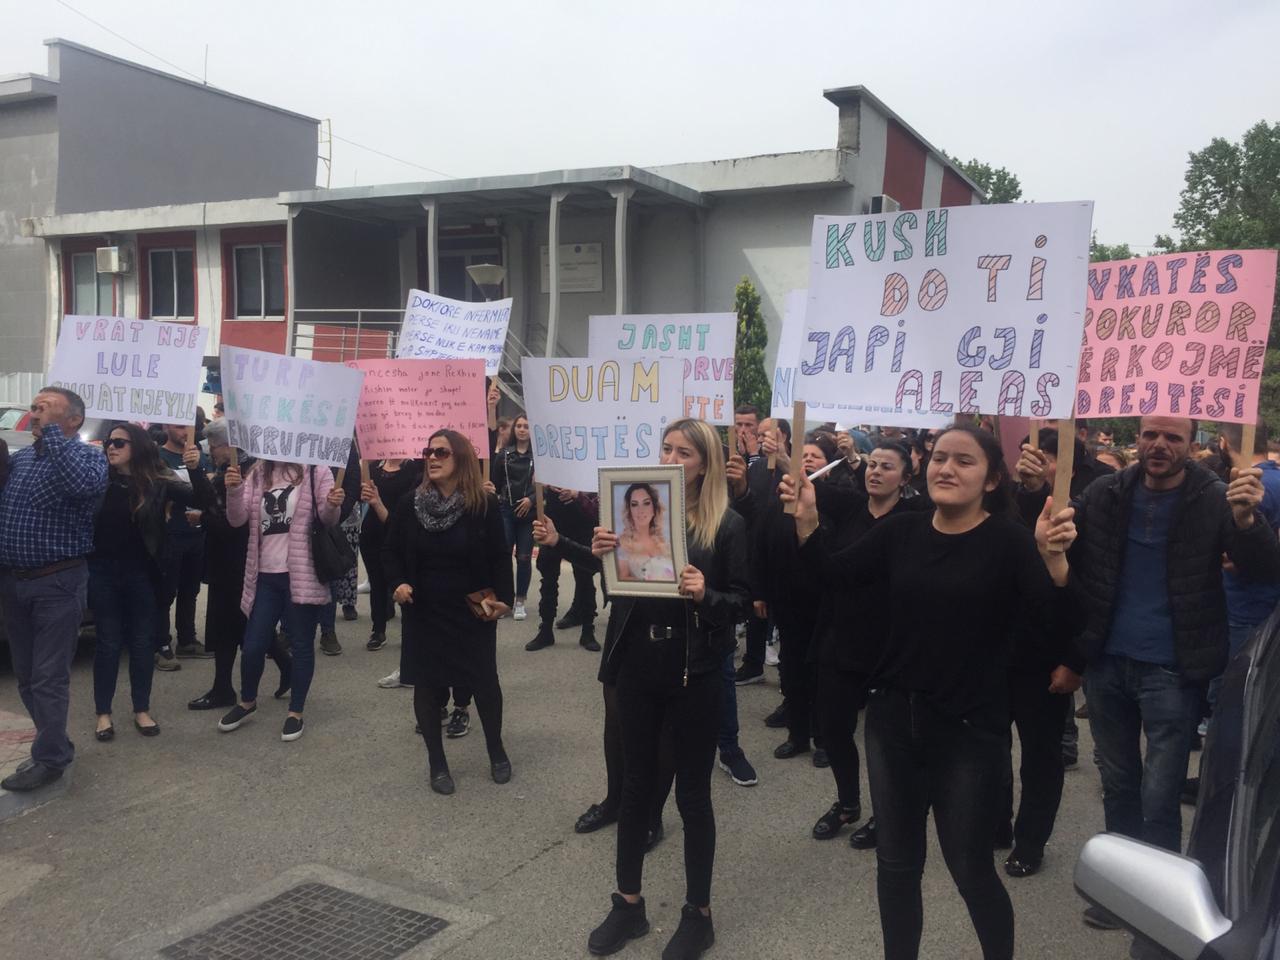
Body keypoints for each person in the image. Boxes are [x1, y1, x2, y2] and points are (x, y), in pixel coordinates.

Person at [782, 424, 1081, 960]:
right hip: (894, 721)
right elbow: (832, 576)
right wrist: (807, 526)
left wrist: (1055, 564)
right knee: (896, 865)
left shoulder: (1011, 541)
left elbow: (1055, 631)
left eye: (964, 461)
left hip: (968, 730)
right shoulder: (903, 532)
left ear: (992, 479)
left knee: (969, 867)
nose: (947, 468)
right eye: (940, 457)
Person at [1064, 416, 1280, 933]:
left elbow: (1263, 569)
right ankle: (1122, 886)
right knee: (1117, 783)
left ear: (1192, 445)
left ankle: (1157, 902)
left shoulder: (1216, 497)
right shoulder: (1105, 491)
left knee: (1160, 793)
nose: (1159, 445)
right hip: (1107, 663)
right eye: (1150, 435)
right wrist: (1034, 498)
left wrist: (1249, 522)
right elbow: (1064, 548)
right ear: (1137, 439)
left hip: (1173, 668)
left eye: (1173, 437)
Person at [585, 418, 750, 960]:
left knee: (693, 796)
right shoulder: (633, 512)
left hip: (694, 672)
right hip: (638, 668)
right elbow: (620, 589)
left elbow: (744, 603)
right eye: (666, 447)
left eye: (684, 451)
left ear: (704, 463)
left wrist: (708, 594)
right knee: (636, 786)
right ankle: (627, 902)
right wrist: (604, 551)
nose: (671, 456)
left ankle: (698, 914)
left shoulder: (725, 526)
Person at [808, 439, 929, 850]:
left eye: (887, 467)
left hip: (889, 647)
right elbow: (802, 484)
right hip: (839, 639)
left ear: (906, 477)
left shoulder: (916, 516)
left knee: (886, 740)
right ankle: (847, 803)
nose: (875, 472)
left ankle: (886, 812)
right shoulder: (849, 507)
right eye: (872, 464)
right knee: (834, 729)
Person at [381, 431, 512, 794]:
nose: (432, 457)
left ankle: (496, 750)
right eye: (428, 451)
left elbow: (500, 557)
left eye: (441, 452)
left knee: (485, 683)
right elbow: (389, 551)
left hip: (472, 609)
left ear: (462, 459)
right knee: (426, 685)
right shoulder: (411, 504)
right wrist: (397, 583)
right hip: (424, 611)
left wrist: (506, 599)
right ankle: (437, 763)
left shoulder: (481, 505)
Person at [0, 388, 108, 791]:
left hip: (57, 583)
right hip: (15, 582)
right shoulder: (21, 459)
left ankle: (50, 759)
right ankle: (55, 741)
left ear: (74, 419)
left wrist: (54, 437)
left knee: (48, 678)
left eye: (46, 405)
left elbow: (80, 487)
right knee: (26, 677)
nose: (36, 408)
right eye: (35, 404)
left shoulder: (88, 458)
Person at [91, 423, 209, 740]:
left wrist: (196, 469)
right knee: (108, 644)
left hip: (144, 574)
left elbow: (202, 498)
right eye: (108, 442)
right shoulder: (97, 479)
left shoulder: (157, 481)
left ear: (138, 447)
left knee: (143, 644)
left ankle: (141, 709)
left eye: (119, 442)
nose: (111, 447)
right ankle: (103, 714)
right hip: (102, 573)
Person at [215, 456, 345, 742]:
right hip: (264, 576)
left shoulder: (315, 470)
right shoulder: (258, 473)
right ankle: (247, 702)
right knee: (253, 645)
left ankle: (295, 711)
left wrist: (333, 503)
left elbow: (327, 518)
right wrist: (234, 490)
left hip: (301, 573)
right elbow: (236, 519)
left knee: (301, 644)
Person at [187, 418, 290, 711]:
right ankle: (284, 668)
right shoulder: (239, 470)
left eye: (215, 445)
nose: (212, 452)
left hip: (237, 560)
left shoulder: (246, 473)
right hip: (230, 559)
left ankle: (225, 689)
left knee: (229, 624)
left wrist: (201, 514)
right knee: (243, 623)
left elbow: (225, 519)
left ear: (229, 445)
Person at [154, 423, 212, 669]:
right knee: (165, 592)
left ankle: (187, 639)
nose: (185, 432)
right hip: (170, 533)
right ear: (168, 427)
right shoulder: (158, 457)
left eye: (188, 428)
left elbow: (208, 488)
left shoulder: (200, 456)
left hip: (196, 534)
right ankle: (160, 643)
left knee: (191, 590)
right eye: (179, 427)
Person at [527, 485, 601, 652]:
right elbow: (535, 481)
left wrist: (578, 493)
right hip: (554, 520)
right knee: (548, 579)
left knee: (585, 578)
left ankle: (588, 630)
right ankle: (545, 629)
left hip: (582, 519)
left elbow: (596, 482)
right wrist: (545, 483)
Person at [359, 458, 423, 651]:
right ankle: (378, 630)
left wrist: (379, 506)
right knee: (377, 584)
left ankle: (410, 633)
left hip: (399, 535)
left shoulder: (412, 469)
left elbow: (408, 507)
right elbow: (361, 495)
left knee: (403, 583)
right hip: (372, 533)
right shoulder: (373, 467)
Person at [491, 411, 535, 622]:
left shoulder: (538, 457)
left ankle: (520, 601)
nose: (522, 429)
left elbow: (543, 485)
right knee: (503, 555)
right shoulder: (504, 455)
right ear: (514, 429)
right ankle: (505, 600)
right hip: (506, 511)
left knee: (524, 558)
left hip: (528, 514)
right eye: (519, 426)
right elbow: (495, 483)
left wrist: (531, 500)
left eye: (526, 426)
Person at [615, 483, 675, 582]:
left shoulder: (664, 543)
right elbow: (621, 583)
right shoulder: (623, 545)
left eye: (646, 503)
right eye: (634, 504)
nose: (640, 510)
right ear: (629, 511)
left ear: (654, 509)